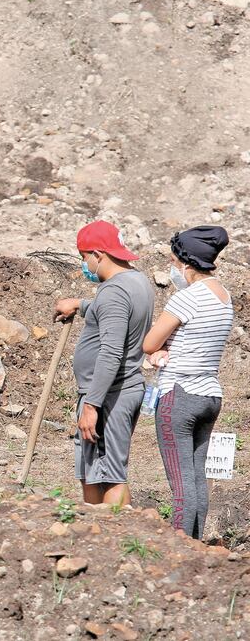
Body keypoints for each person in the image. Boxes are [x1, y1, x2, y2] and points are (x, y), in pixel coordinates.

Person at [54, 221, 154, 507]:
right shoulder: (137, 281)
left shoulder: (113, 293)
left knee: (109, 474)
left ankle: (115, 538)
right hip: (122, 390)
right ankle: (98, 534)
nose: (84, 264)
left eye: (84, 257)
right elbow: (116, 315)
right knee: (95, 472)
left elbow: (110, 353)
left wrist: (91, 405)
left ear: (98, 255)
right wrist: (81, 304)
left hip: (109, 396)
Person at [143, 226, 233, 539]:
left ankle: (180, 552)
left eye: (173, 261)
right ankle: (195, 548)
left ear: (187, 263)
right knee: (196, 479)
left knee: (181, 487)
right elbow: (193, 341)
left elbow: (149, 343)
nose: (171, 268)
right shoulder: (224, 296)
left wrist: (160, 349)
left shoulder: (186, 298)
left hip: (178, 396)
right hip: (210, 395)